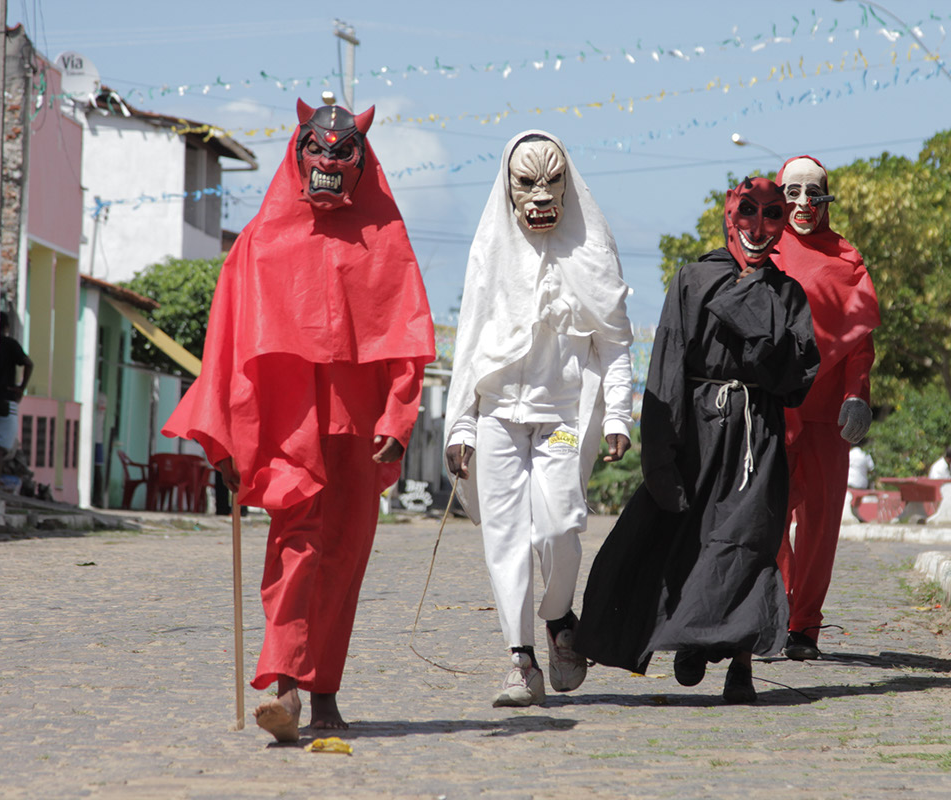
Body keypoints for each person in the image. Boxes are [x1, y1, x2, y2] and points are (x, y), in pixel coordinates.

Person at [163, 94, 435, 742]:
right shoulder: (261, 242)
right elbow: (227, 338)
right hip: (287, 423)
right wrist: (224, 438)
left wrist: (398, 421)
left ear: (360, 162)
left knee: (344, 555)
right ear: (300, 150)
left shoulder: (385, 237)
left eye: (343, 152)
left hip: (357, 429)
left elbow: (404, 337)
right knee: (296, 544)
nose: (329, 160)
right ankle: (282, 680)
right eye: (319, 148)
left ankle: (325, 692)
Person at [575, 176, 820, 704]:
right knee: (693, 541)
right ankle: (694, 638)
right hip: (700, 437)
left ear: (782, 225)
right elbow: (666, 369)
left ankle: (741, 664)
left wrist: (761, 330)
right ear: (730, 216)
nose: (757, 227)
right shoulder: (691, 280)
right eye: (747, 212)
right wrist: (661, 455)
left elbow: (798, 382)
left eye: (771, 215)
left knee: (749, 545)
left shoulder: (788, 294)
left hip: (758, 440)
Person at [443, 130, 634, 708]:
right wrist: (461, 424)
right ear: (508, 187)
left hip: (564, 419)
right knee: (504, 538)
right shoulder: (490, 254)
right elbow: (470, 342)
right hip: (499, 415)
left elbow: (616, 342)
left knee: (558, 528)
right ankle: (520, 660)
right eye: (526, 182)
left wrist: (620, 413)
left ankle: (558, 617)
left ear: (568, 184)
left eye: (552, 180)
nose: (540, 194)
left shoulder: (591, 252)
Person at [773, 155, 880, 662]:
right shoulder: (761, 249)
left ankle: (804, 626)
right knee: (766, 517)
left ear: (827, 199)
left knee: (819, 524)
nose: (803, 203)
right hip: (773, 410)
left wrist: (857, 394)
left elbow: (860, 342)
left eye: (814, 193)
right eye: (792, 192)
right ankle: (773, 610)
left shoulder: (847, 260)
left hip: (827, 415)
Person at [0, 311, 34, 458]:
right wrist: (21, 388)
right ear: (6, 327)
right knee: (2, 447)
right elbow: (29, 363)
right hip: (6, 398)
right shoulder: (10, 344)